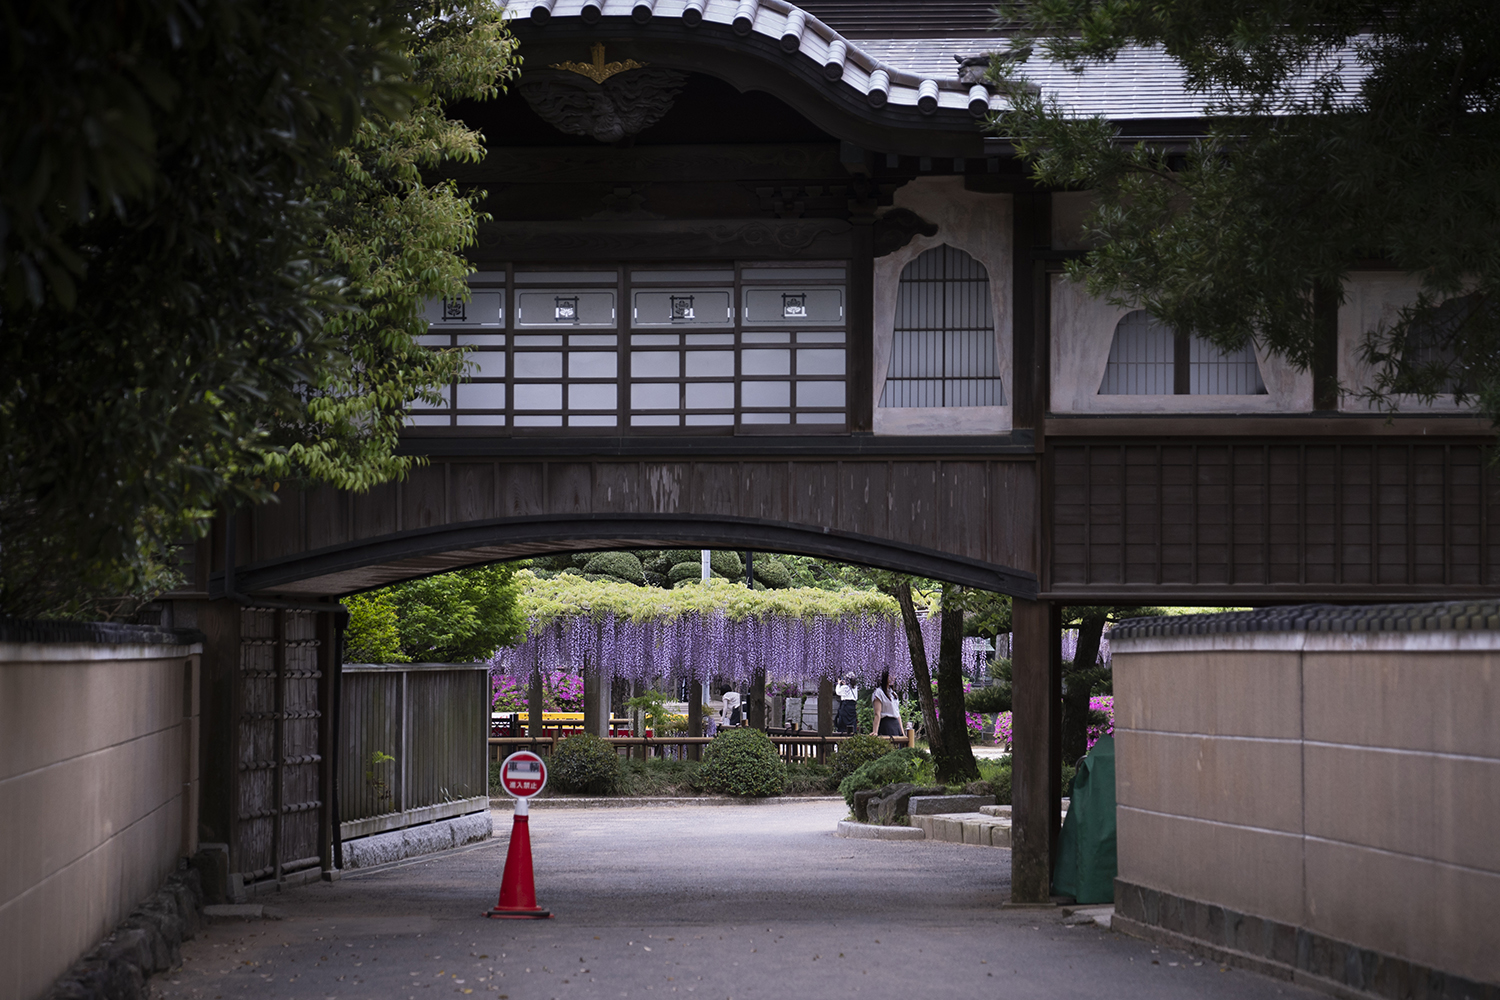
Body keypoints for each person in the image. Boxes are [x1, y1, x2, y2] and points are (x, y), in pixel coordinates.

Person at [870, 671, 904, 738]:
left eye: (894, 675)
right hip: (886, 725)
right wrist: (875, 732)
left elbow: (898, 714)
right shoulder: (878, 692)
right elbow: (877, 714)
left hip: (896, 726)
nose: (894, 677)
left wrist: (902, 733)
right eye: (891, 675)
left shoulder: (893, 693)